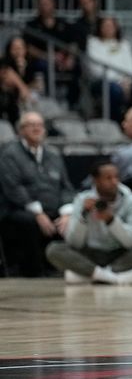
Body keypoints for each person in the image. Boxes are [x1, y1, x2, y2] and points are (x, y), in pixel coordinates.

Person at [45, 160, 132, 285]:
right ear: (96, 180)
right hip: (90, 254)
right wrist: (83, 216)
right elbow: (74, 243)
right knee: (54, 249)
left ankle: (95, 275)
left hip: (120, 254)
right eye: (108, 178)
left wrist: (111, 220)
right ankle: (114, 277)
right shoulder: (82, 200)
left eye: (116, 177)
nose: (114, 182)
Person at [0, 111, 74, 276]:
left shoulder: (54, 155)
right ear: (21, 130)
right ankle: (34, 272)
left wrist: (67, 213)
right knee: (29, 222)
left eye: (40, 125)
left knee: (74, 220)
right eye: (31, 125)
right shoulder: (9, 154)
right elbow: (14, 188)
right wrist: (38, 213)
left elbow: (66, 187)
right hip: (19, 209)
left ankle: (66, 270)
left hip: (53, 209)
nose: (36, 129)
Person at [86, 16, 132, 122]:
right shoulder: (93, 43)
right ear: (100, 27)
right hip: (102, 81)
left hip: (126, 82)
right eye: (106, 26)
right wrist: (119, 81)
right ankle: (116, 121)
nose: (109, 29)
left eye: (111, 26)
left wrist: (127, 81)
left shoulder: (124, 44)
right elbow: (97, 70)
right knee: (115, 90)